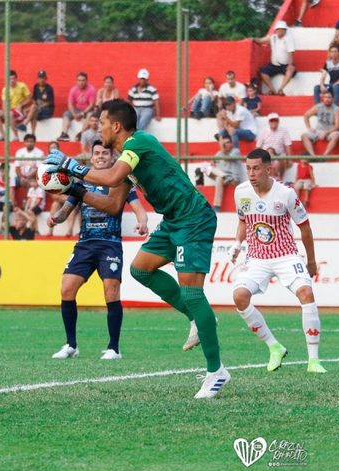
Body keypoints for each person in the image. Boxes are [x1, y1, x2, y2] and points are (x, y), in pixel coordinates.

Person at [45, 99, 230, 399]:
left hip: (193, 218)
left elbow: (111, 177)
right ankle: (197, 317)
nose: (99, 127)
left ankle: (216, 372)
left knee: (193, 294)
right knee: (141, 269)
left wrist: (69, 166)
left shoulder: (139, 143)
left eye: (102, 122)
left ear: (116, 126)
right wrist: (74, 189)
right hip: (174, 220)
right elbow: (112, 203)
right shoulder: (125, 158)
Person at [48, 140, 148, 360]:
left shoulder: (120, 182)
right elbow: (66, 210)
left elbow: (139, 208)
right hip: (84, 244)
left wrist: (143, 222)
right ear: (91, 158)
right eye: (97, 153)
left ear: (112, 158)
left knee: (111, 290)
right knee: (67, 289)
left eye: (105, 153)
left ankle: (114, 348)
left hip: (109, 243)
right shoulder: (81, 184)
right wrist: (56, 218)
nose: (101, 156)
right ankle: (71, 345)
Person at [230, 148, 326, 374]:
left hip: (285, 255)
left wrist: (311, 261)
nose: (251, 174)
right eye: (248, 169)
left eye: (256, 169)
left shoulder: (286, 194)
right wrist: (237, 243)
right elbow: (244, 221)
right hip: (256, 258)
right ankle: (274, 347)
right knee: (239, 296)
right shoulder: (241, 192)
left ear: (268, 169)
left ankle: (313, 361)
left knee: (306, 293)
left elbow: (305, 227)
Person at [198, 135, 244, 212]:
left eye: (228, 142)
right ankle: (217, 207)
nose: (227, 144)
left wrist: (222, 148)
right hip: (225, 178)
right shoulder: (219, 153)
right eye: (225, 143)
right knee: (206, 167)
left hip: (234, 179)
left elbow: (227, 158)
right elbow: (212, 162)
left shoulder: (236, 151)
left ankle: (216, 206)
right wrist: (212, 164)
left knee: (219, 178)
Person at [254, 21, 296, 96]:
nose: (280, 31)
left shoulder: (288, 39)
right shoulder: (272, 37)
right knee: (262, 71)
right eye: (278, 29)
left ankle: (281, 89)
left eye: (282, 29)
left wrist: (290, 64)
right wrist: (252, 39)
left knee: (290, 69)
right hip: (274, 64)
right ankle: (272, 89)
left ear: (285, 30)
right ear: (276, 30)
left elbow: (291, 53)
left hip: (285, 65)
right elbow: (261, 41)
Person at [0, 70, 31, 141]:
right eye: (10, 79)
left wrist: (21, 105)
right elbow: (4, 103)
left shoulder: (22, 86)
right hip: (10, 111)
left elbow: (29, 98)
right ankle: (3, 136)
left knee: (9, 114)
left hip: (20, 111)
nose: (12, 80)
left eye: (13, 78)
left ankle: (16, 136)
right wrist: (4, 112)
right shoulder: (5, 89)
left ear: (16, 79)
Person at [301, 90, 339, 158]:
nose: (327, 99)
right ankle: (312, 156)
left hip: (331, 131)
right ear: (323, 98)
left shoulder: (337, 109)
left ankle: (324, 156)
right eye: (325, 97)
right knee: (304, 136)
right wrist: (309, 128)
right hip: (318, 131)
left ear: (333, 99)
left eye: (329, 97)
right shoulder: (318, 107)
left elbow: (338, 127)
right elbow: (306, 115)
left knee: (336, 135)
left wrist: (326, 132)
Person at [57, 72, 96, 141]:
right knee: (66, 114)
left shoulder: (91, 89)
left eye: (83, 80)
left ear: (86, 81)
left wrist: (82, 114)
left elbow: (91, 105)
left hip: (87, 110)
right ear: (76, 81)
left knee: (90, 115)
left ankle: (81, 134)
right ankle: (64, 134)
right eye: (79, 80)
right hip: (76, 109)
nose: (81, 82)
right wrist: (73, 114)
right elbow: (70, 103)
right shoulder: (73, 89)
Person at [255, 112, 293, 180]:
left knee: (283, 157)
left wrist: (290, 159)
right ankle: (270, 178)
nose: (274, 122)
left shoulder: (284, 131)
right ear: (269, 122)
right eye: (272, 121)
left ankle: (280, 178)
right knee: (269, 154)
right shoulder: (264, 131)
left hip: (279, 154)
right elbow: (258, 146)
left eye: (275, 120)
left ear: (278, 121)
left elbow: (288, 145)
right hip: (267, 153)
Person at [24, 70, 54, 135]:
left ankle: (25, 123)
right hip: (38, 110)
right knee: (33, 112)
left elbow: (49, 102)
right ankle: (33, 133)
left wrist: (37, 107)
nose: (41, 80)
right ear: (37, 79)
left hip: (47, 110)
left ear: (46, 79)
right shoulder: (36, 86)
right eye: (40, 78)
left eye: (43, 78)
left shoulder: (49, 89)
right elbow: (34, 99)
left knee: (33, 108)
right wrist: (33, 108)